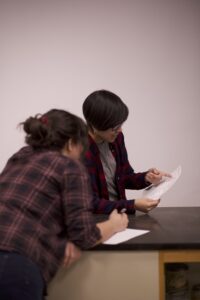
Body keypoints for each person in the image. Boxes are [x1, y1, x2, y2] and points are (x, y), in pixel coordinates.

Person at [0, 109, 128, 300]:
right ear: (70, 144)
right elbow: (84, 235)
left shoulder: (21, 156)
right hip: (16, 265)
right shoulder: (70, 167)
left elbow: (31, 209)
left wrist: (60, 239)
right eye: (81, 148)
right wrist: (114, 224)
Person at [82, 89, 171, 214]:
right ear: (95, 125)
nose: (120, 130)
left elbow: (124, 177)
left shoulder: (117, 138)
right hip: (97, 222)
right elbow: (90, 203)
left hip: (120, 218)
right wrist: (132, 205)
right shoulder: (80, 150)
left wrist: (147, 177)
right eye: (114, 128)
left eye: (120, 125)